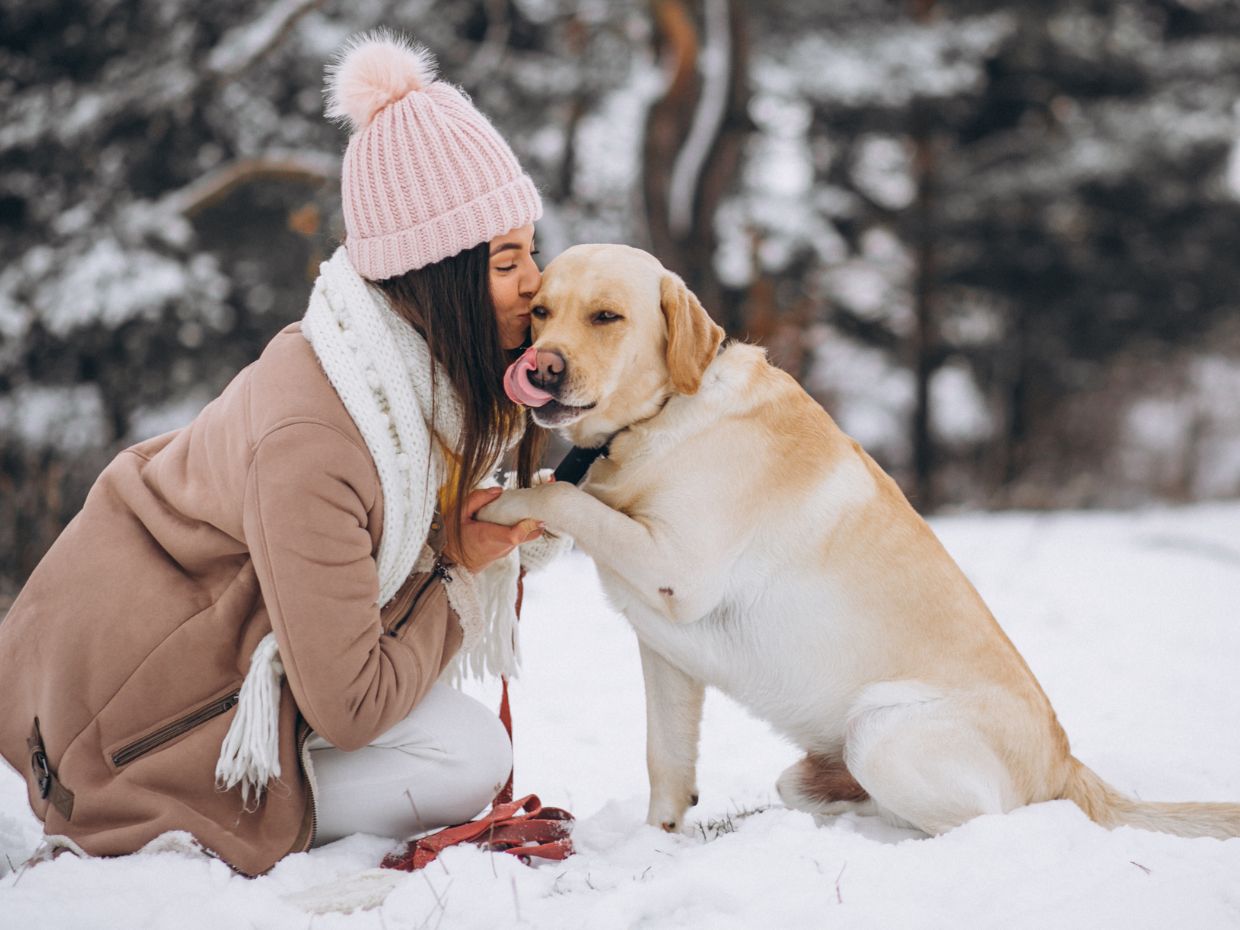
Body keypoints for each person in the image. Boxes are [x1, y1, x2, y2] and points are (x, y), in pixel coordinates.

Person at [0, 32, 567, 877]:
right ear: (434, 275)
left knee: (447, 729)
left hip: (160, 673)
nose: (536, 283)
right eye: (507, 261)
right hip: (118, 744)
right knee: (466, 757)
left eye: (531, 251)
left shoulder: (377, 374)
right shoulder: (322, 438)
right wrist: (451, 563)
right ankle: (223, 813)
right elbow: (355, 705)